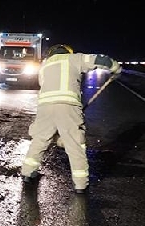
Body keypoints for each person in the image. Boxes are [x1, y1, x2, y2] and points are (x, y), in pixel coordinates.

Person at [20, 44, 122, 193]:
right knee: (75, 145)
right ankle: (80, 184)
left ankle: (28, 173)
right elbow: (100, 60)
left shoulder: (45, 65)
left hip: (45, 107)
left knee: (39, 140)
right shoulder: (75, 59)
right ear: (68, 52)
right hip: (68, 107)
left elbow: (43, 84)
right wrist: (115, 68)